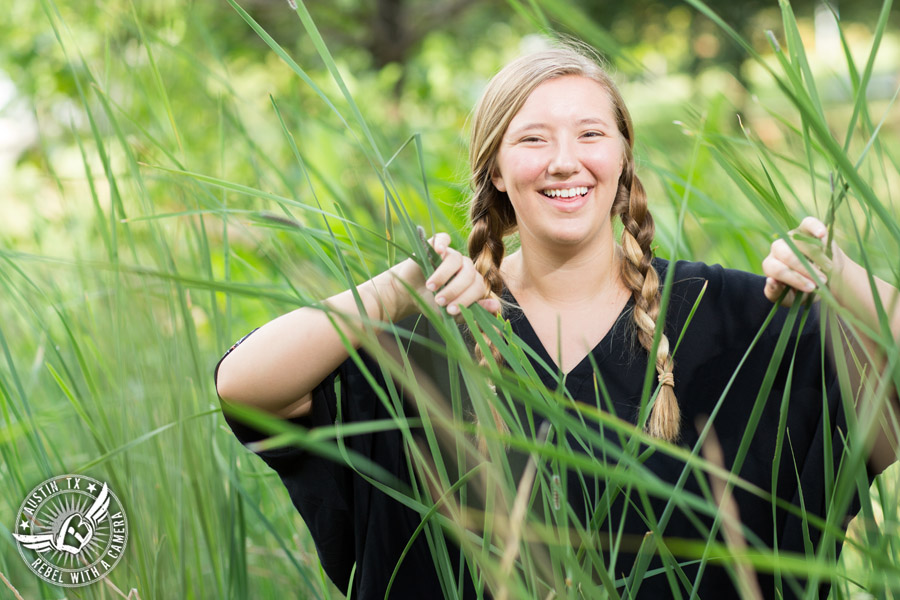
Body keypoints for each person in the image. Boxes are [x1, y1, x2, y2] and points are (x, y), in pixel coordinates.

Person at [215, 43, 899, 599]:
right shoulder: (435, 330)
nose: (565, 160)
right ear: (497, 172)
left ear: (623, 157)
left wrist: (840, 274)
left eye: (590, 134)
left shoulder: (734, 317)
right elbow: (245, 387)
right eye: (533, 138)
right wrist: (404, 284)